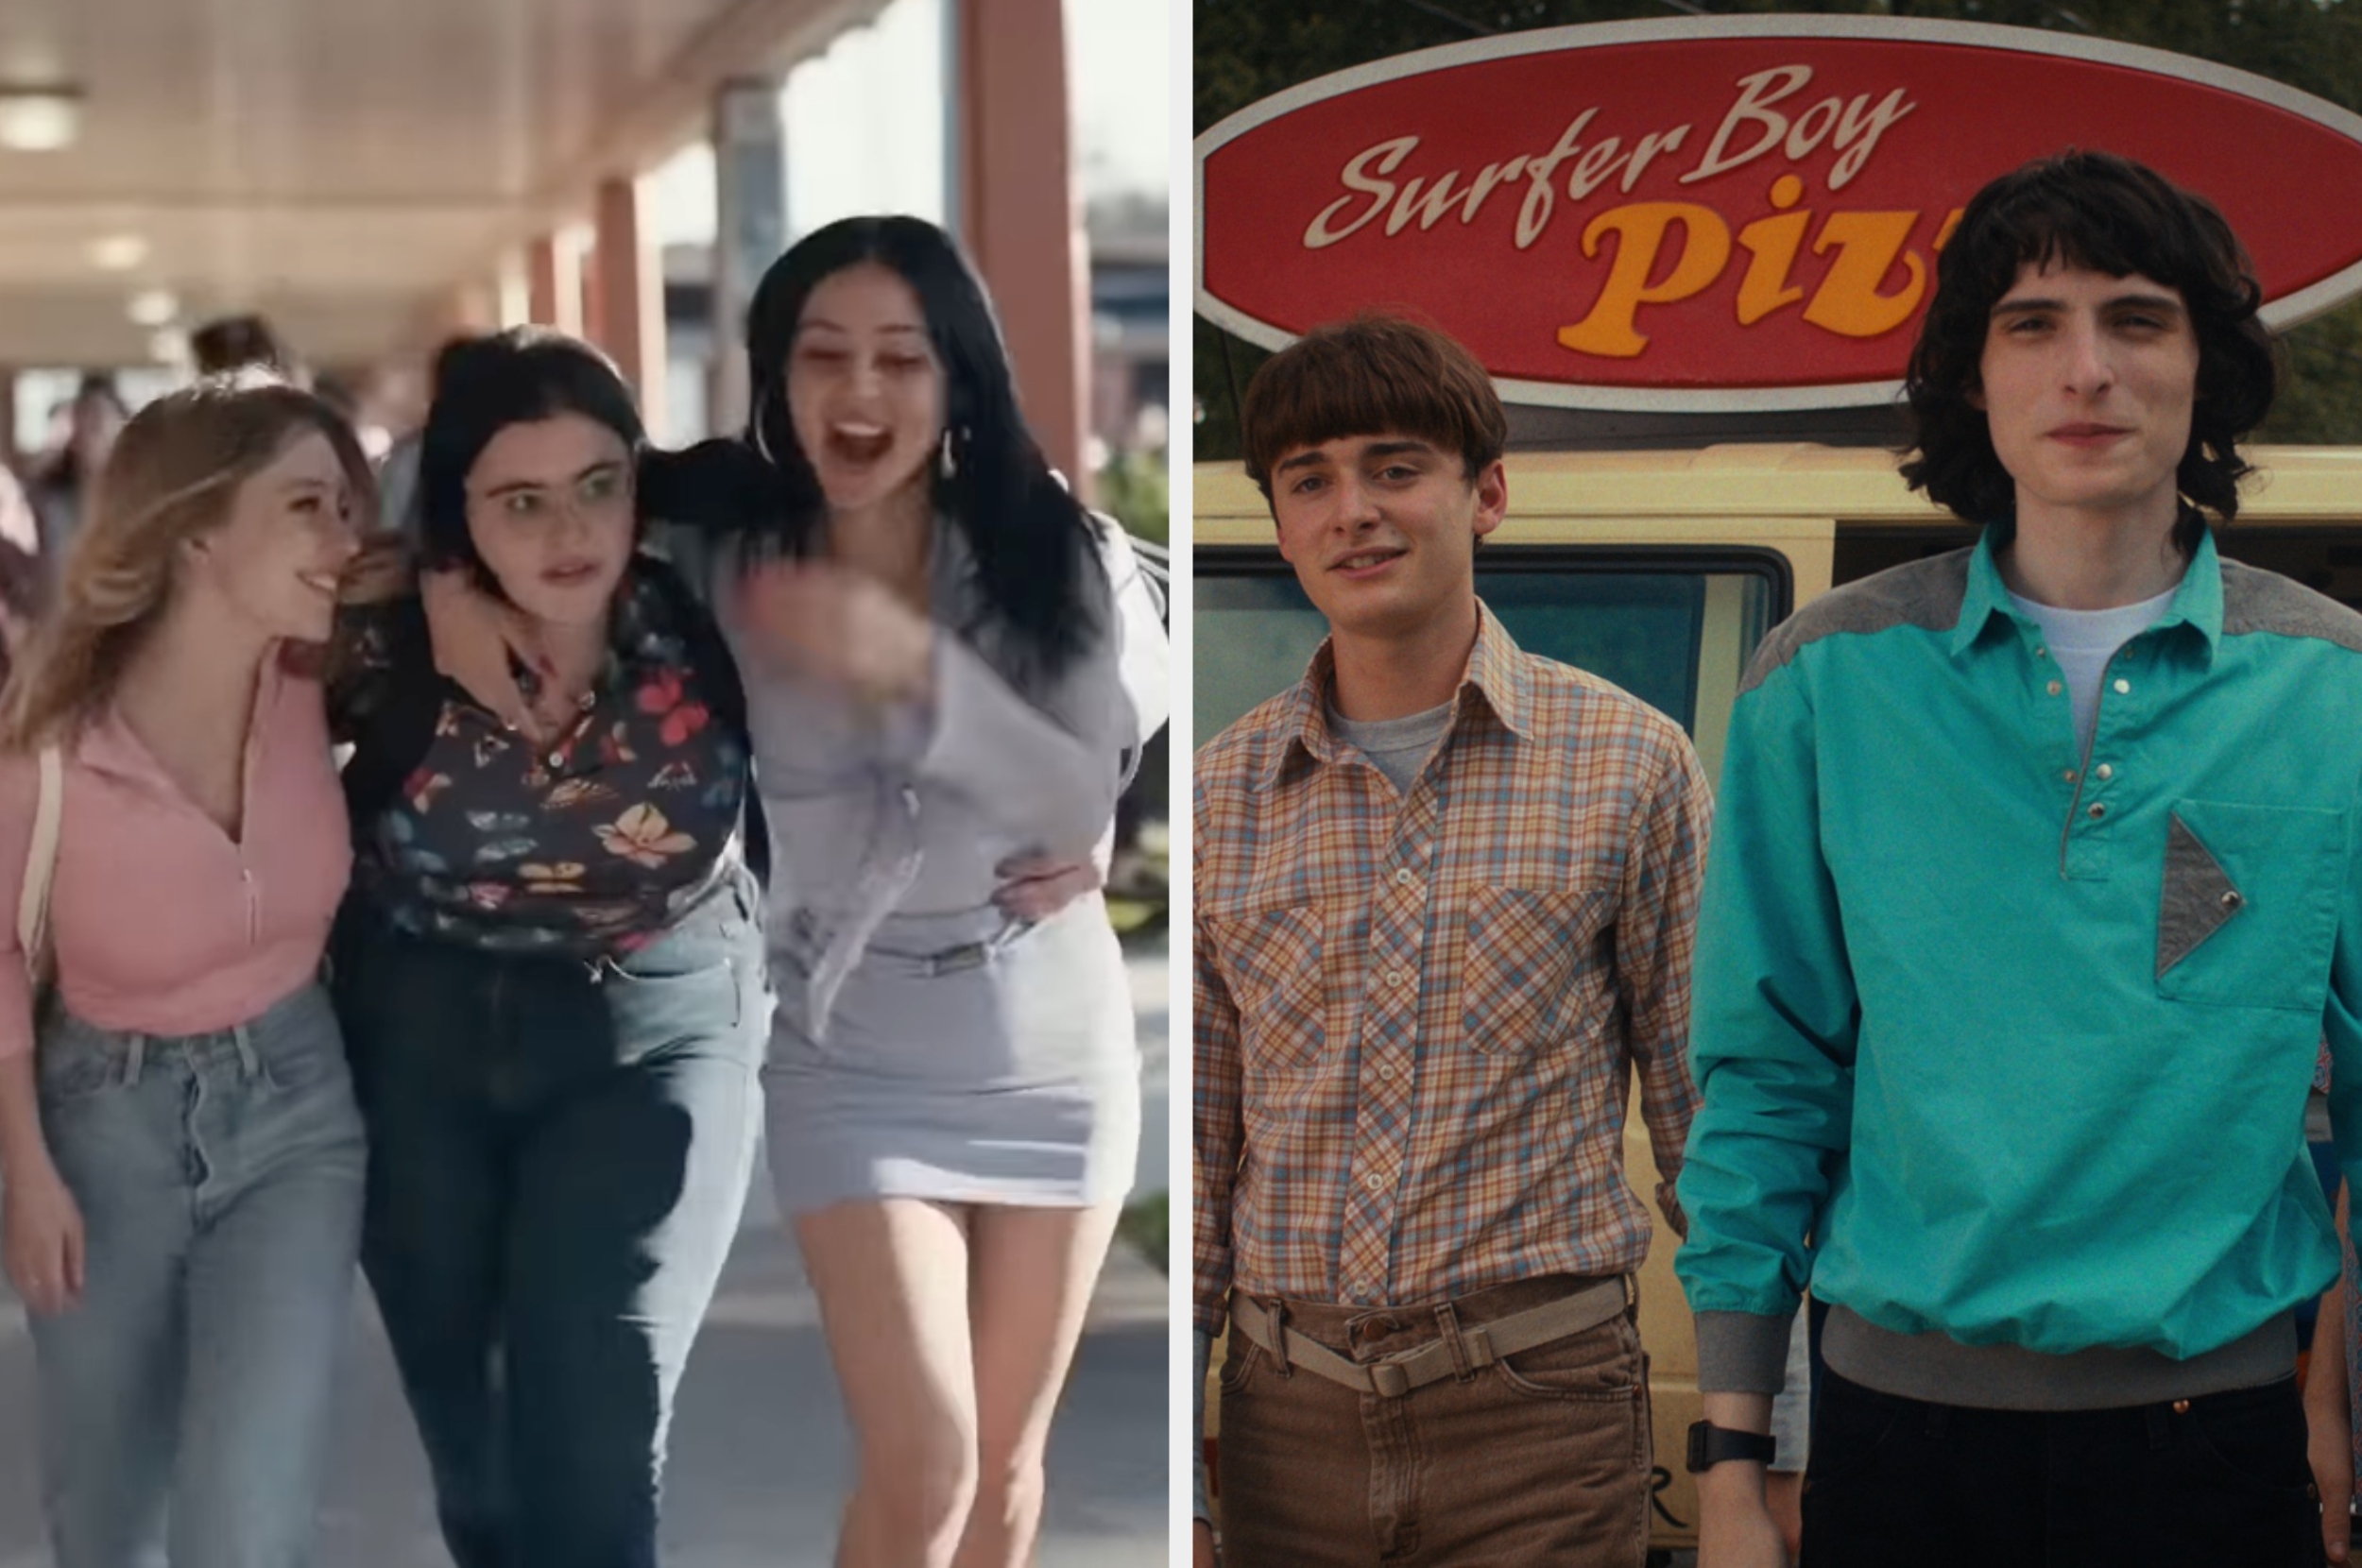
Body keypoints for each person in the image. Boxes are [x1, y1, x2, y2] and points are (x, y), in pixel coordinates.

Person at [430, 219, 1164, 1568]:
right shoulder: (720, 543)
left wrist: (907, 664)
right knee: (928, 1453)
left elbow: (1068, 806)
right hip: (849, 1054)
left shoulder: (1036, 547)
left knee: (1003, 1479)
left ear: (958, 381)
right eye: (822, 357)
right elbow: (522, 490)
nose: (860, 394)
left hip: (1051, 1054)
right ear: (774, 379)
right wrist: (446, 589)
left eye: (901, 358)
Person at [1677, 149, 2355, 1568]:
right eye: (2033, 325)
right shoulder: (1825, 682)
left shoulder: (2335, 690)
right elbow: (1768, 1076)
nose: (2087, 370)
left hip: (2217, 1445)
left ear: (2205, 367)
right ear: (1973, 379)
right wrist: (1733, 1458)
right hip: (1896, 1443)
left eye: (2138, 319)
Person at [1191, 313, 1712, 1567]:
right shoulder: (1217, 794)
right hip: (1283, 1425)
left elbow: (1713, 1128)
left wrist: (1769, 1437)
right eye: (1309, 481)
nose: (1352, 511)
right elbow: (1200, 1164)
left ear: (1484, 494)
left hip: (1538, 1415)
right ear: (1279, 523)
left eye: (1395, 467)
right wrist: (1177, 1481)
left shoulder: (1630, 763)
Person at [323, 327, 770, 1568]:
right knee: (474, 1447)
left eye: (597, 486)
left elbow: (962, 507)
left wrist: (1081, 799)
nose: (569, 531)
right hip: (421, 1030)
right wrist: (428, 596)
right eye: (519, 503)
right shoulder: (378, 618)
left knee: (597, 1415)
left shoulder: (702, 569)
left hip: (660, 1022)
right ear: (456, 511)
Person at [0, 378, 372, 1568]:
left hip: (296, 1115)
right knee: (108, 1522)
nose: (343, 539)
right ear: (198, 528)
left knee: (243, 1525)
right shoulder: (49, 743)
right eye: (307, 505)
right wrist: (26, 1176)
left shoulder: (316, 684)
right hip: (98, 1128)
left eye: (348, 505)